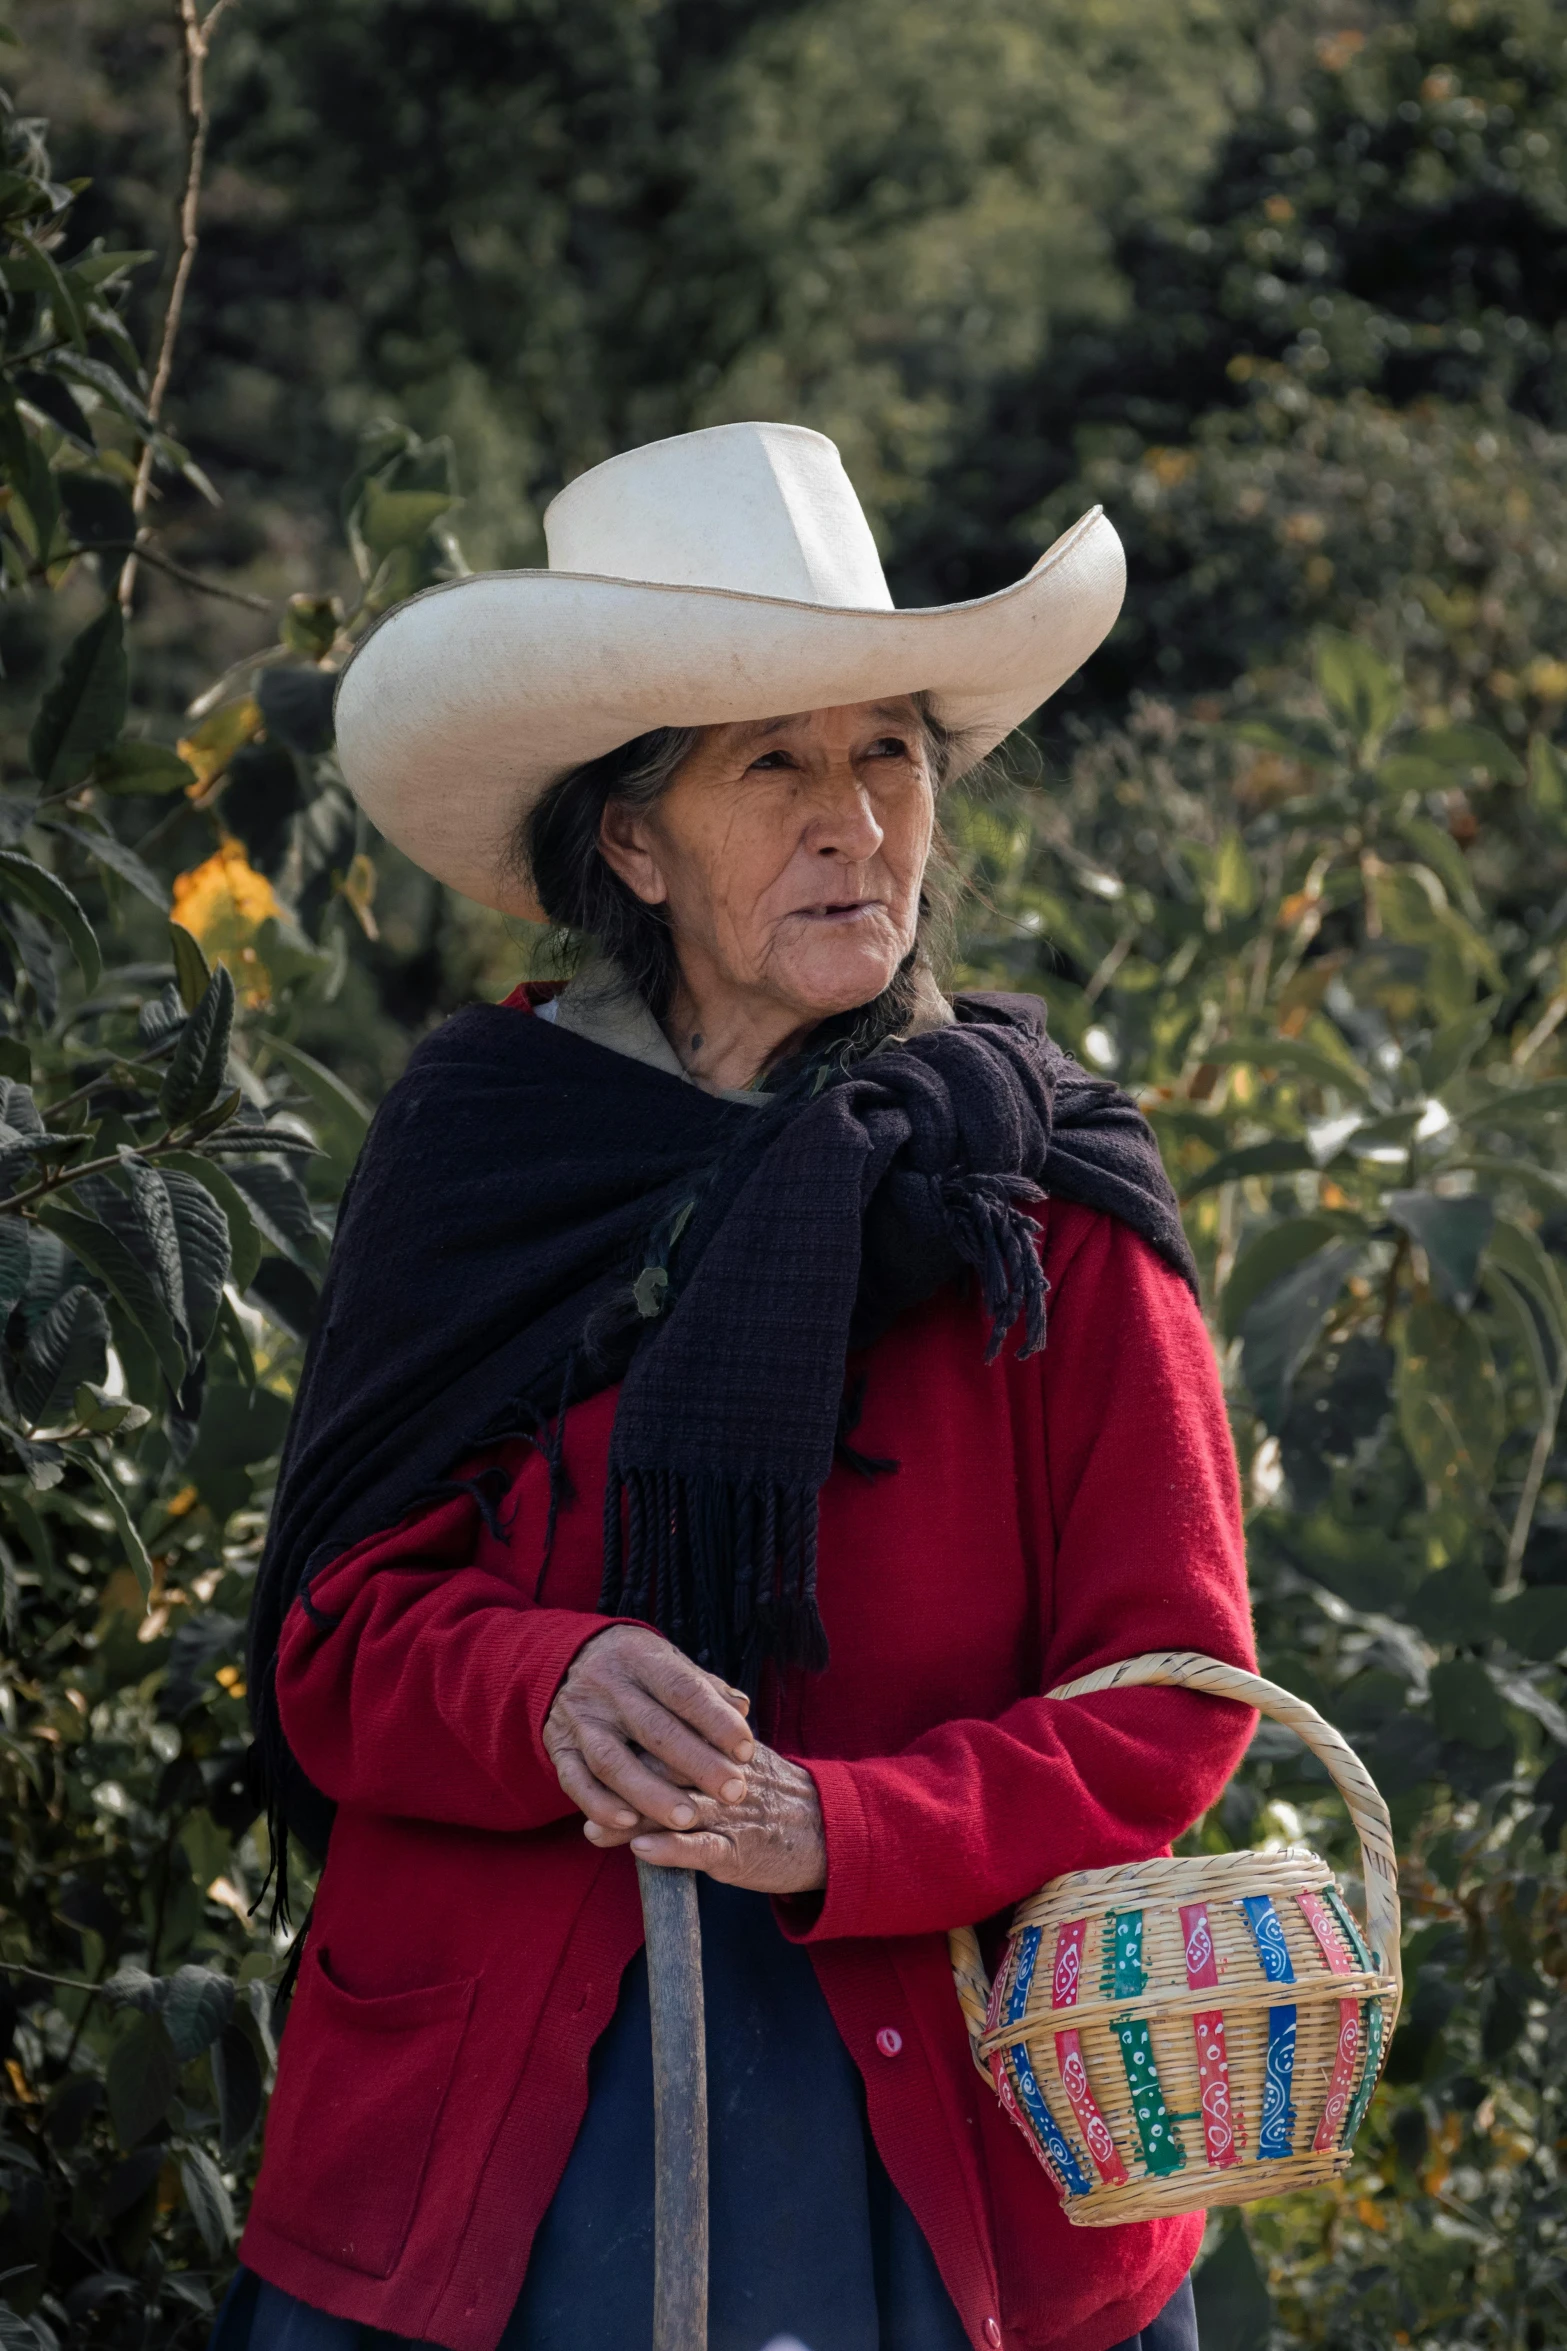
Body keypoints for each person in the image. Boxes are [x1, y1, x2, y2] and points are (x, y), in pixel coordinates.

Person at [220, 422, 1256, 2351]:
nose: (853, 818)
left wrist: (843, 1826)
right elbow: (336, 1644)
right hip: (503, 2150)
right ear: (631, 837)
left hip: (949, 2126)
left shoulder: (1037, 1196)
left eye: (887, 755)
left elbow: (1170, 1700)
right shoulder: (486, 1157)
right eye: (772, 762)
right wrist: (541, 1684)